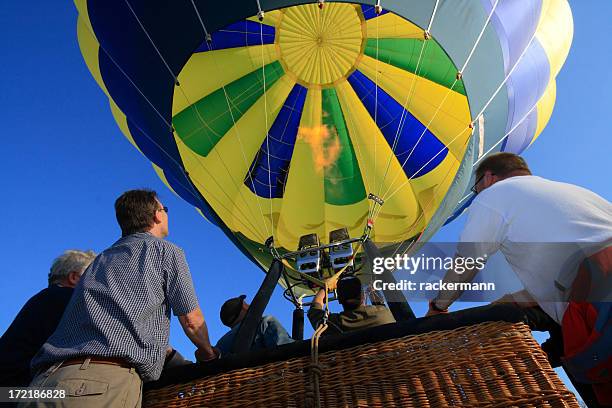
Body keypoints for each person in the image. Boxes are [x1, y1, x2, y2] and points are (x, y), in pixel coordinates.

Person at [425, 152, 611, 407]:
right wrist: (507, 302)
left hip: (596, 303)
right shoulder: (574, 193)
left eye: (475, 188)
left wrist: (438, 306)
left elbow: (467, 259)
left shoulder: (492, 196)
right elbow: (563, 274)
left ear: (488, 178)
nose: (477, 194)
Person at [23, 190, 218, 408]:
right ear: (156, 215)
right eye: (165, 209)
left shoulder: (99, 261)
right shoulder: (166, 251)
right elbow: (191, 320)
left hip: (41, 382)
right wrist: (208, 354)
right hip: (98, 385)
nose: (166, 214)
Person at [0, 250, 96, 387]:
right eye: (92, 277)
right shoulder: (67, 299)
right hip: (18, 389)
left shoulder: (44, 298)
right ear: (74, 277)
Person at [308, 276, 395, 336]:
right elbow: (380, 306)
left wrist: (325, 287)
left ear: (339, 300)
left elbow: (314, 310)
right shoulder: (384, 314)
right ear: (363, 297)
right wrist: (372, 291)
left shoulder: (333, 324)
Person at [215, 295, 294, 355]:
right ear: (244, 307)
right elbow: (287, 350)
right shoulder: (264, 322)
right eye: (247, 304)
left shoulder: (220, 344)